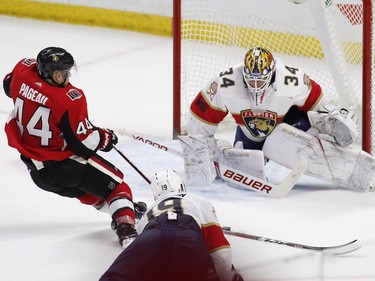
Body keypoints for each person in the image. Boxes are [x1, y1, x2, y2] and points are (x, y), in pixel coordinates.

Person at [181, 47, 374, 192]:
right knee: (243, 173)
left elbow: (317, 100)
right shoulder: (225, 83)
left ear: (272, 73)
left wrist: (330, 117)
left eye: (261, 80)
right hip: (250, 135)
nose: (256, 86)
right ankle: (223, 151)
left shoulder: (290, 79)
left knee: (293, 143)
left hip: (289, 124)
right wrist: (198, 154)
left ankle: (350, 168)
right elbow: (199, 118)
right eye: (251, 80)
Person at [3, 47, 140, 246]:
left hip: (36, 171)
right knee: (118, 187)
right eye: (61, 73)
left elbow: (8, 86)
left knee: (85, 191)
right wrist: (105, 138)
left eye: (67, 72)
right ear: (50, 73)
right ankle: (126, 231)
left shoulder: (22, 72)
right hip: (63, 167)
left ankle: (124, 210)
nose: (66, 77)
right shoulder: (69, 98)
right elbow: (82, 143)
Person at [99, 169, 243, 281]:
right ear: (181, 185)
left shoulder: (149, 211)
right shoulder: (197, 200)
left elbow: (138, 247)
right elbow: (219, 249)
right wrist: (228, 275)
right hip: (186, 235)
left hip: (149, 236)